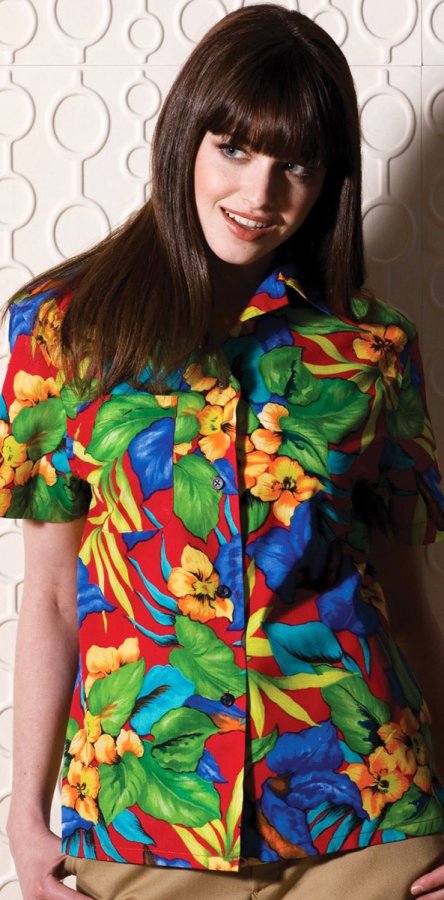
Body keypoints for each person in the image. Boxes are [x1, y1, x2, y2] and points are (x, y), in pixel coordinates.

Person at [1, 5, 444, 899]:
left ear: (329, 180)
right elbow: (50, 592)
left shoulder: (370, 348)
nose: (261, 193)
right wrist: (23, 811)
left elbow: (404, 600)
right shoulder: (60, 329)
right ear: (185, 140)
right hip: (144, 819)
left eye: (296, 165)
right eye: (234, 149)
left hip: (365, 819)